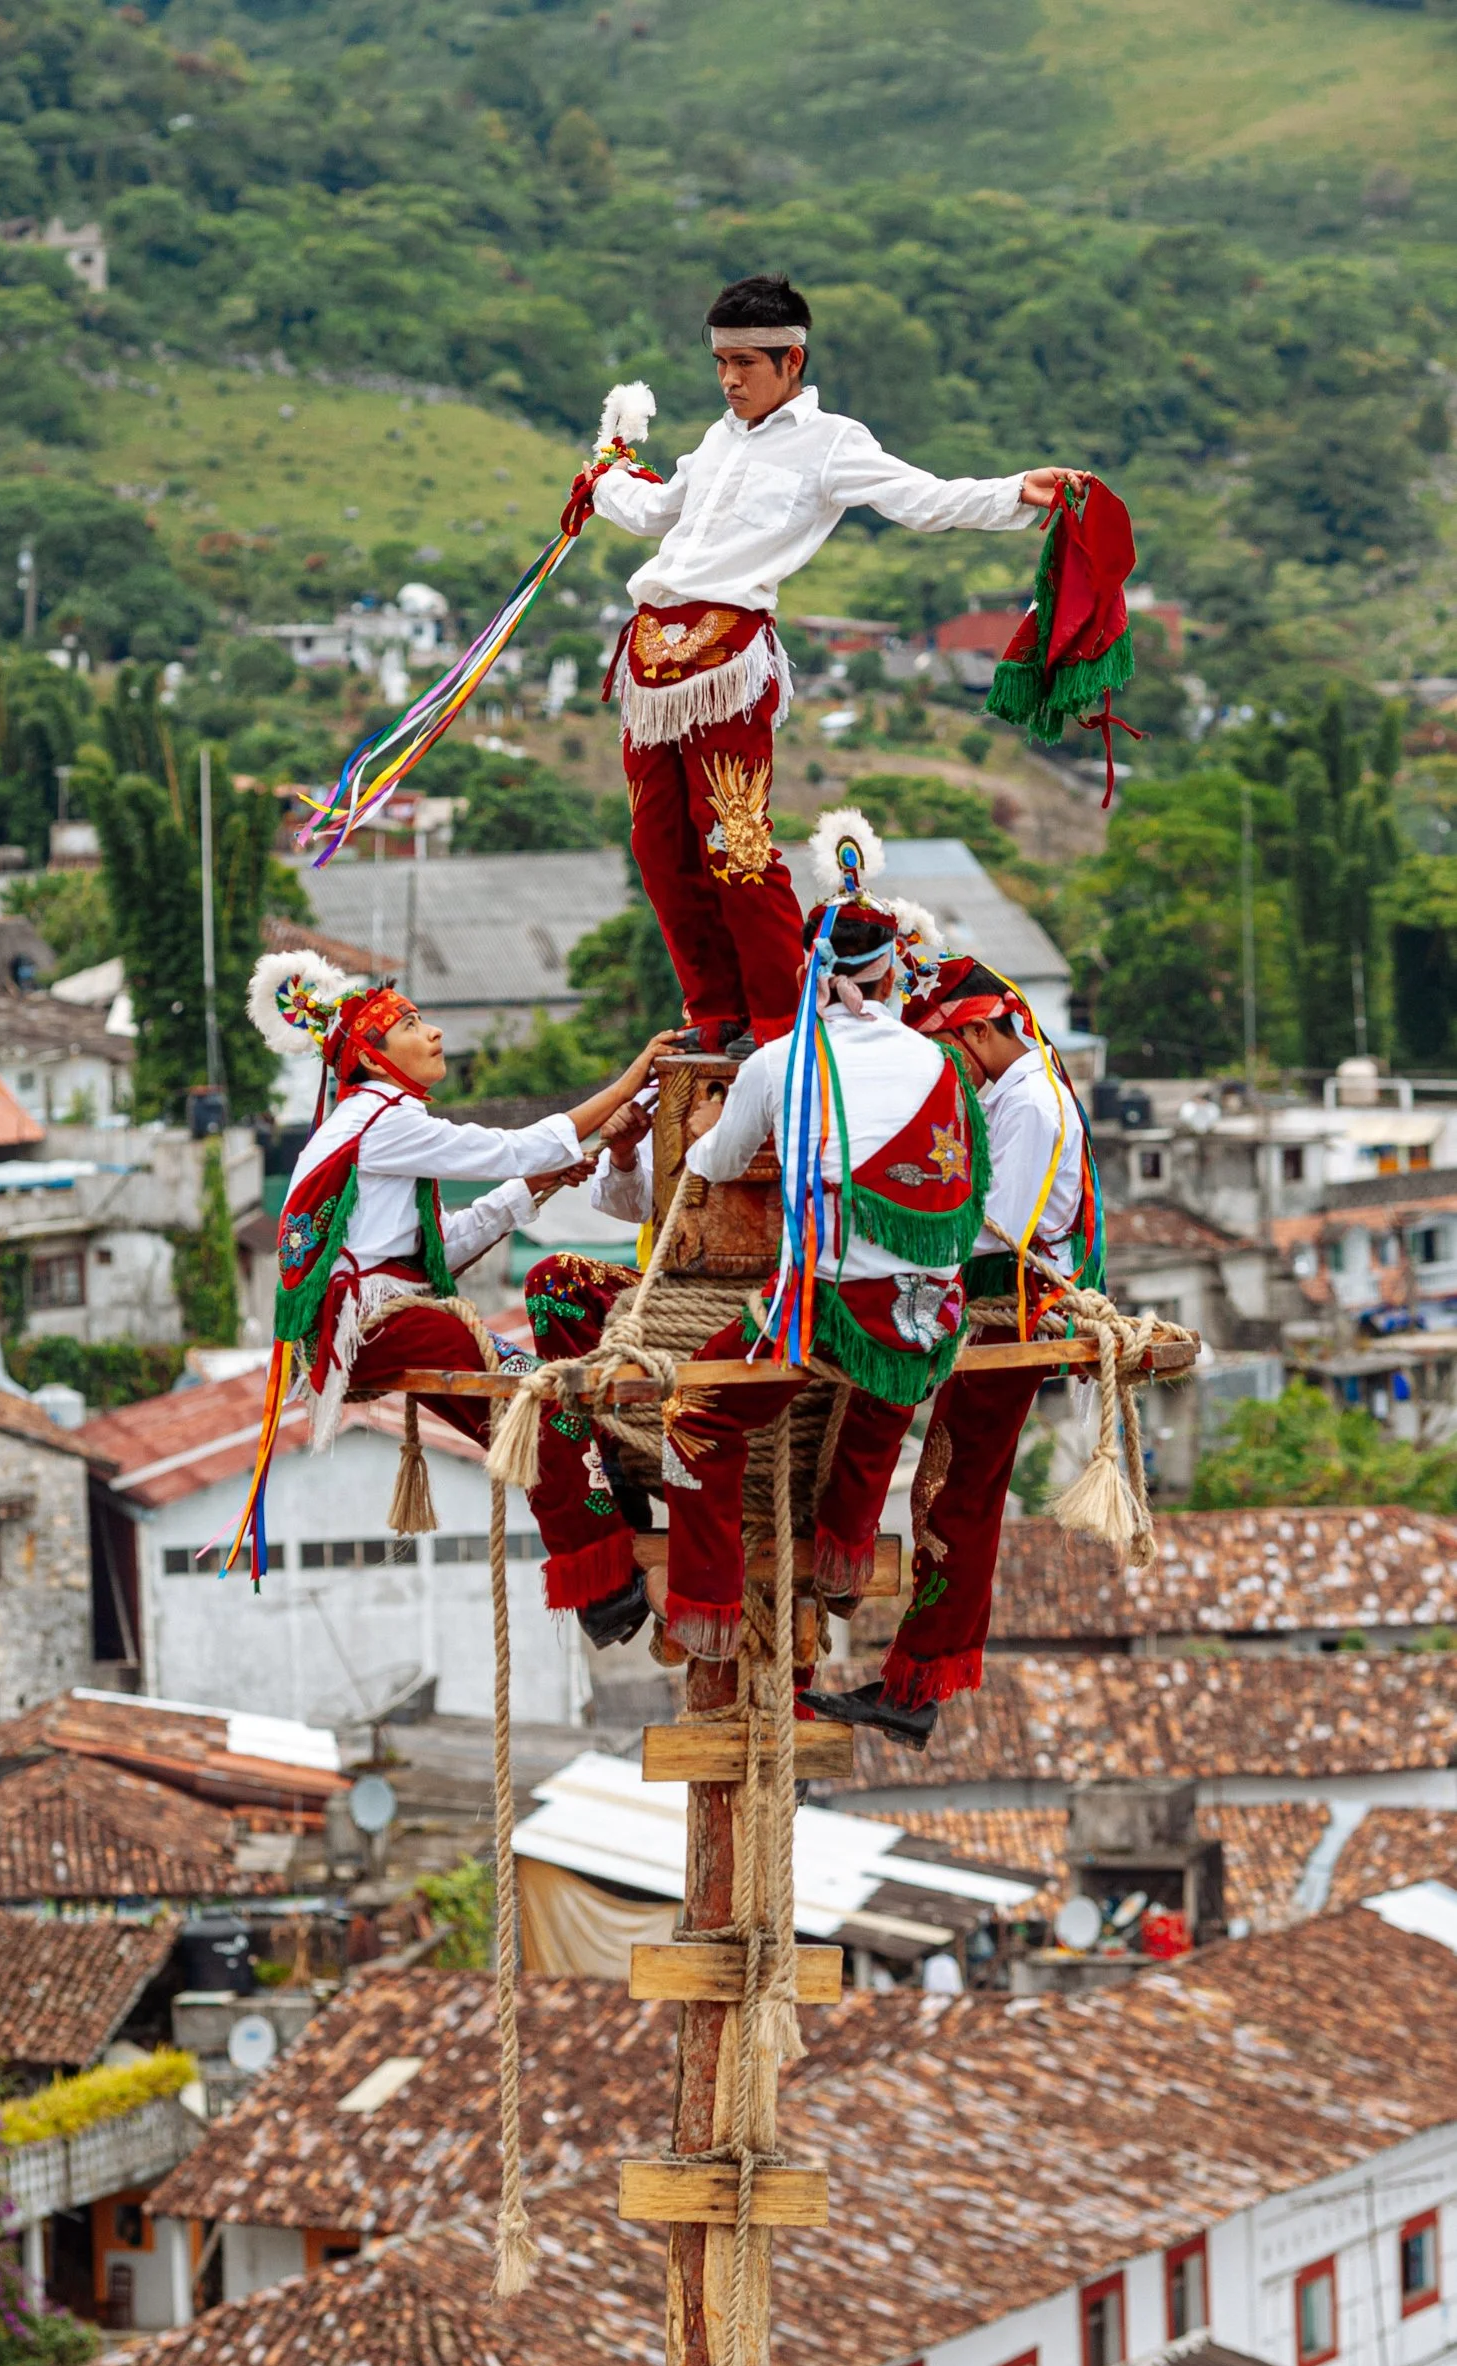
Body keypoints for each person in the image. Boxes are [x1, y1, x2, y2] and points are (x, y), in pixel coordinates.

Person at [578, 270, 1083, 1054]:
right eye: (720, 363)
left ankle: (780, 1018)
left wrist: (1016, 490)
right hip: (651, 658)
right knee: (658, 846)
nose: (729, 379)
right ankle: (714, 1011)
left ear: (792, 361)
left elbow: (925, 500)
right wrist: (603, 478)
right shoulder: (714, 440)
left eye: (745, 363)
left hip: (727, 659)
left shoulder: (833, 443)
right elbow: (654, 513)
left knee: (735, 843)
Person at [629, 816, 984, 1743]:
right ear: (889, 975)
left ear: (810, 977)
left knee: (694, 1419)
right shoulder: (940, 1064)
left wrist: (713, 1109)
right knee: (882, 1393)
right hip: (930, 1318)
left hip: (825, 1306)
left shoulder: (784, 1061)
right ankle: (841, 1552)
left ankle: (704, 1603)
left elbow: (713, 1159)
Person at [235, 948, 676, 1644]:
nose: (432, 1032)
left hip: (383, 1317)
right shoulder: (382, 1121)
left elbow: (436, 1246)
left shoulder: (367, 1123)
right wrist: (628, 1082)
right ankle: (604, 1582)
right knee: (538, 1408)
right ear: (377, 1060)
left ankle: (611, 1535)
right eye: (410, 1023)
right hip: (380, 1323)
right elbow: (513, 1147)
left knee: (537, 1409)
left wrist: (538, 1187)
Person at [811, 955, 1101, 1739]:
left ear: (978, 1029)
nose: (952, 1074)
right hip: (997, 1307)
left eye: (952, 1051)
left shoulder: (1030, 1105)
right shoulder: (1021, 1090)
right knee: (947, 1490)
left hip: (1012, 1312)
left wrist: (881, 1223)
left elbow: (992, 1227)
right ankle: (914, 1681)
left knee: (951, 1494)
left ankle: (918, 1687)